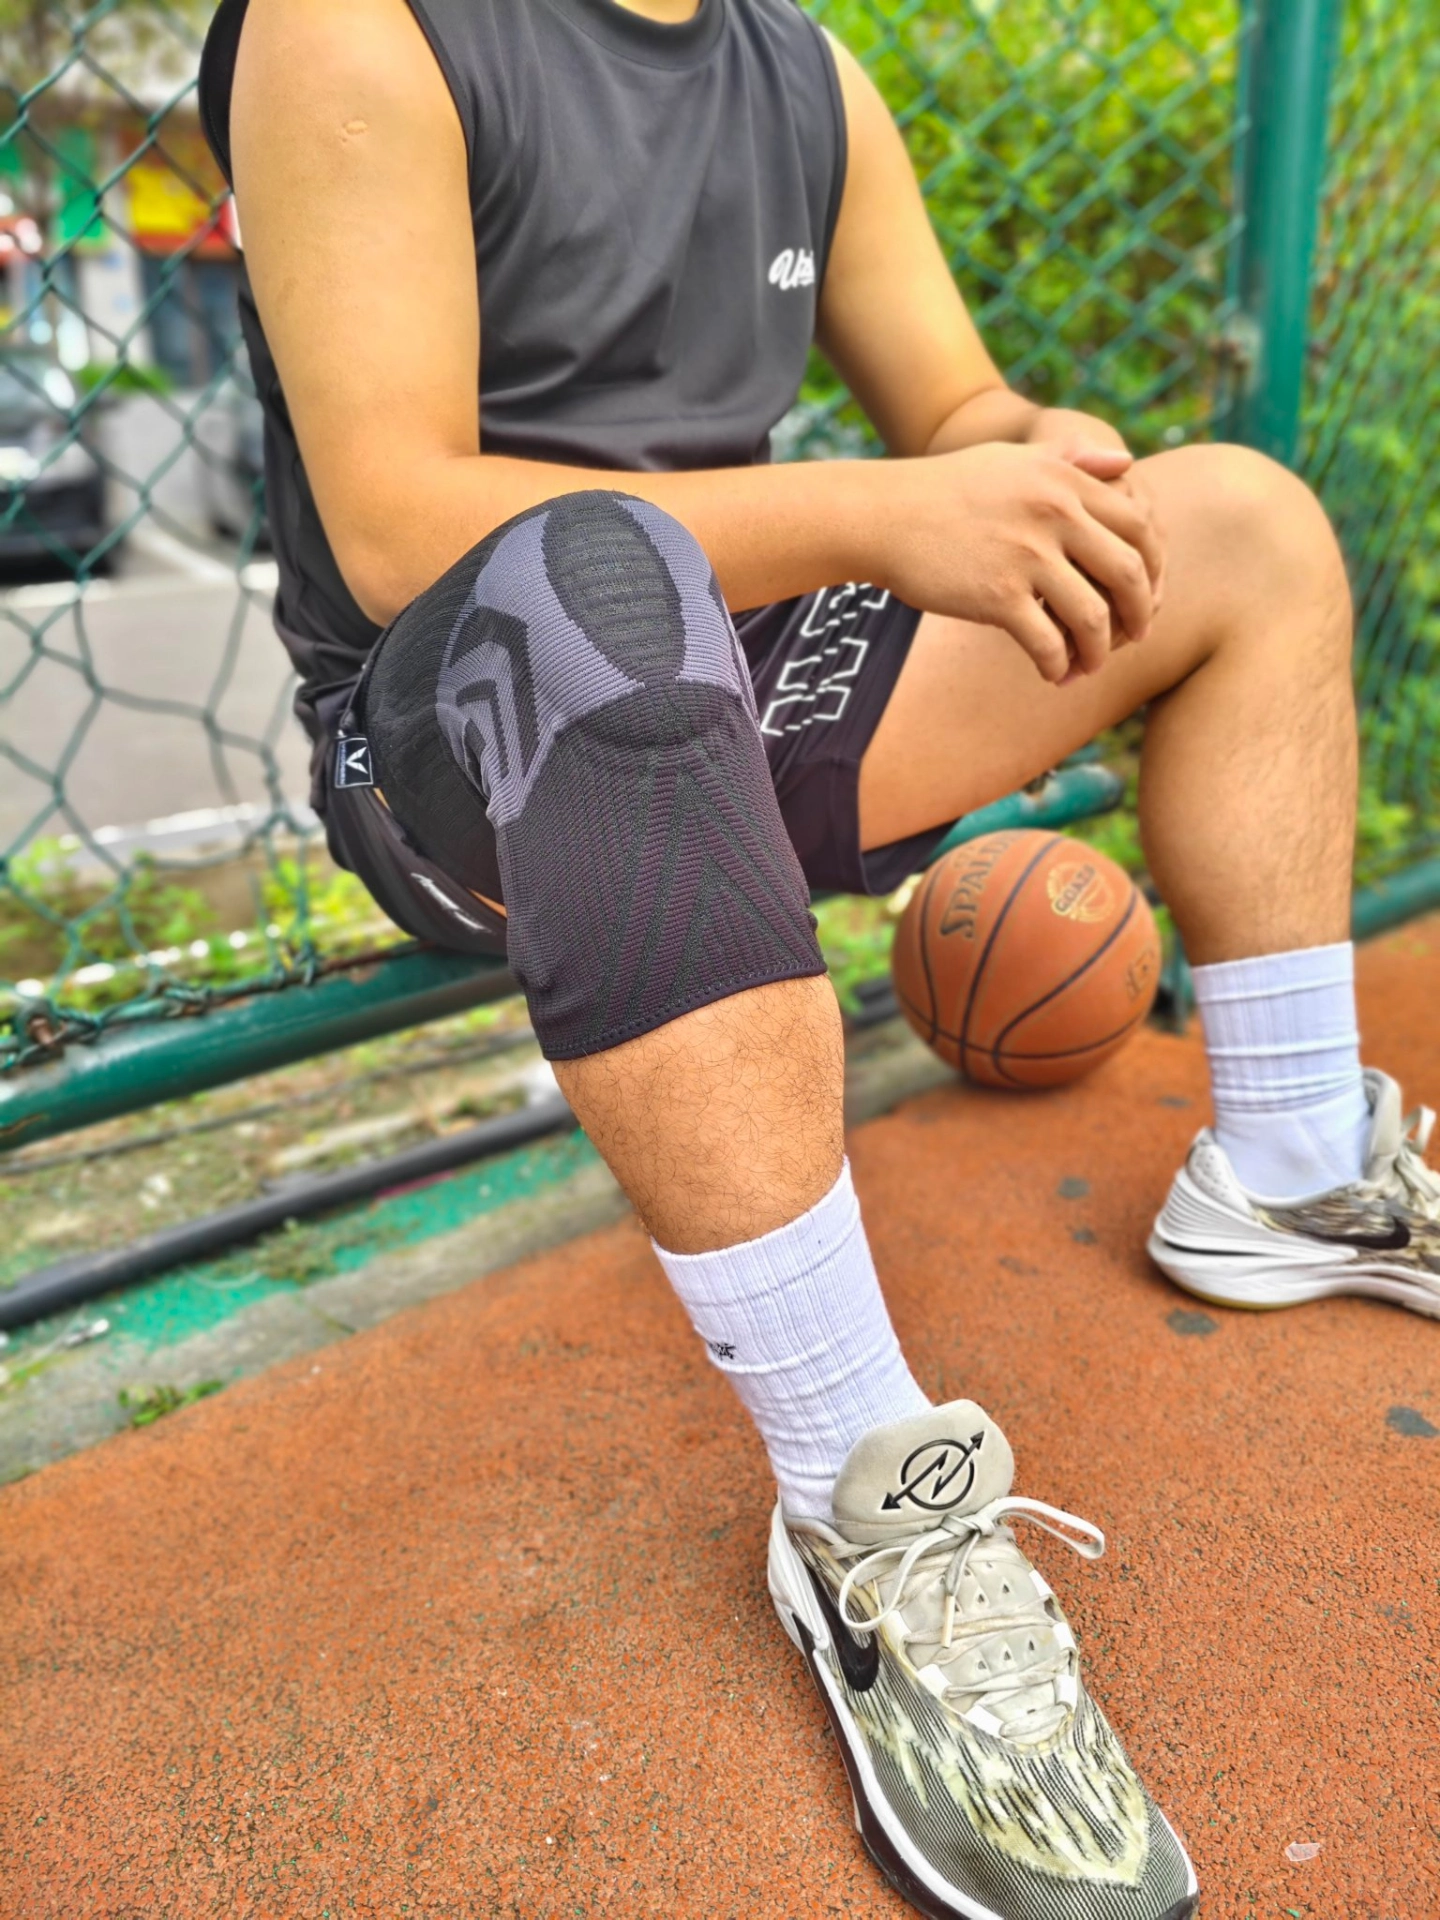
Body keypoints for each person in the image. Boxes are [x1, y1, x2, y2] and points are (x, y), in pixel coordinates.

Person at [199, 2, 1439, 1915]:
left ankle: (1290, 1166)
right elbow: (394, 527)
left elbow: (958, 414)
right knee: (599, 576)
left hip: (746, 652)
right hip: (464, 727)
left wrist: (1029, 455)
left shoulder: (803, 71)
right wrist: (883, 510)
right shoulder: (359, 26)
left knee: (1242, 528)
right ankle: (875, 1513)